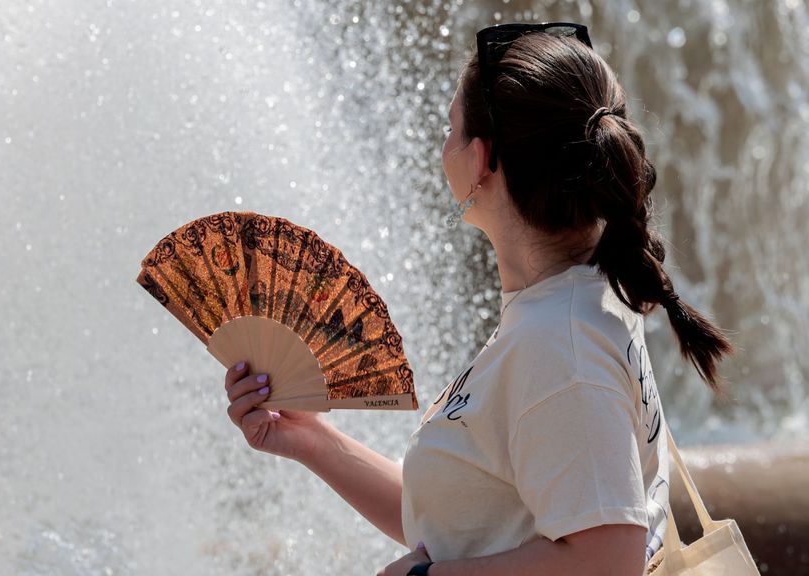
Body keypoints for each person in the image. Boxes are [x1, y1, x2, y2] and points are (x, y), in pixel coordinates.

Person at [222, 22, 734, 576]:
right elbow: (466, 526)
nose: (442, 147)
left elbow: (606, 560)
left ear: (481, 160)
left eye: (450, 128)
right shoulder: (569, 305)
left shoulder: (558, 343)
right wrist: (310, 438)